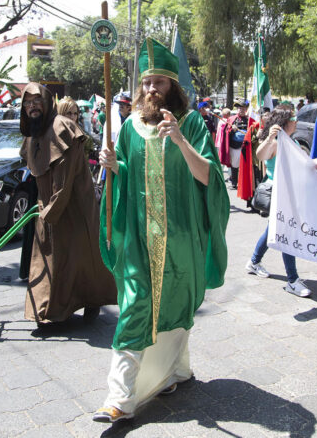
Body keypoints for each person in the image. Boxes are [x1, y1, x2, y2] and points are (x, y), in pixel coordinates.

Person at [94, 38, 228, 423]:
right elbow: (124, 173)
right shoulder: (130, 129)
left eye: (160, 83)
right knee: (136, 306)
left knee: (177, 302)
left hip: (181, 235)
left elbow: (209, 178)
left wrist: (181, 140)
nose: (152, 89)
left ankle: (174, 371)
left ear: (173, 88)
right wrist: (111, 165)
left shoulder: (192, 123)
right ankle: (119, 398)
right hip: (138, 237)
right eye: (147, 83)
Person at [19, 83, 116, 325]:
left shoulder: (62, 127)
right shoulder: (34, 131)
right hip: (50, 205)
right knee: (55, 257)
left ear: (47, 102)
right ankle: (48, 311)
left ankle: (86, 302)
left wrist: (51, 209)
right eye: (27, 102)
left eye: (36, 101)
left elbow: (65, 177)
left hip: (72, 206)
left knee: (79, 256)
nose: (32, 106)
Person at [246, 106, 312, 297]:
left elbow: (303, 163)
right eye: (293, 118)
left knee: (273, 231)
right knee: (285, 233)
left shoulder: (292, 141)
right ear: (284, 122)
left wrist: (316, 163)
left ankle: (254, 261)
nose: (297, 121)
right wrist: (268, 138)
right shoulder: (275, 142)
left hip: (289, 194)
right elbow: (260, 155)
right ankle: (292, 280)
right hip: (278, 194)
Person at [228, 99, 253, 189]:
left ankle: (244, 183)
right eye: (239, 109)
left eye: (243, 109)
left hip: (245, 146)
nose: (241, 110)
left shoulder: (248, 119)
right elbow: (226, 132)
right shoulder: (232, 119)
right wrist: (231, 129)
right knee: (234, 165)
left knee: (245, 165)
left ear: (246, 109)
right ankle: (234, 182)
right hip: (234, 146)